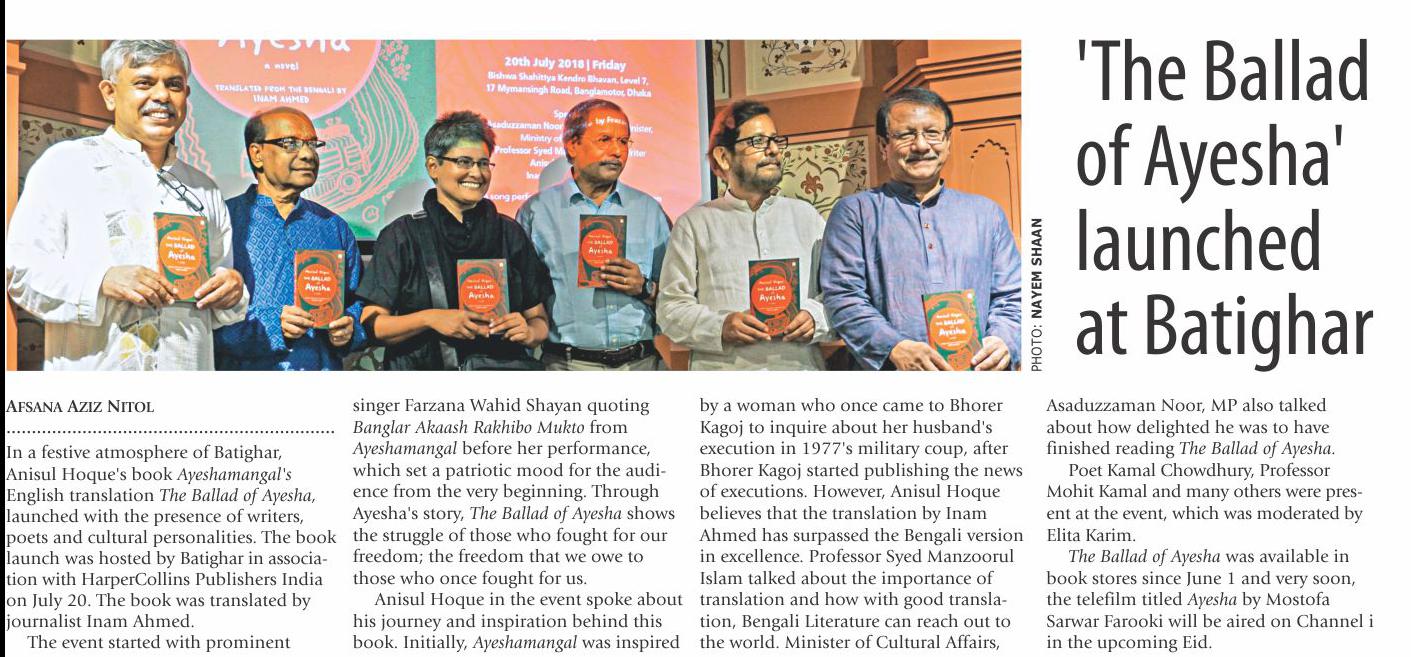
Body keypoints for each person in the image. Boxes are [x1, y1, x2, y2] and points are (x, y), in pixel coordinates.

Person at [6, 40, 246, 370]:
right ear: (109, 93)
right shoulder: (66, 165)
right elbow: (21, 273)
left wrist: (232, 290)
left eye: (174, 85)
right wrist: (102, 281)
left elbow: (219, 289)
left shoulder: (203, 188)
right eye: (144, 82)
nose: (162, 96)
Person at [820, 87, 1020, 371]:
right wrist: (893, 347)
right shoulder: (855, 213)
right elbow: (844, 296)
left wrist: (1003, 340)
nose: (921, 145)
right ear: (883, 145)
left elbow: (1013, 295)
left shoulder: (987, 214)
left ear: (948, 141)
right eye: (905, 135)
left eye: (932, 133)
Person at [356, 111, 552, 370]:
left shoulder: (509, 232)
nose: (477, 173)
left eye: (484, 163)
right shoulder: (402, 235)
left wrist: (529, 331)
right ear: (433, 167)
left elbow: (539, 320)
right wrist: (430, 319)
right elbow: (373, 324)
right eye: (464, 162)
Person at [658, 100, 831, 370]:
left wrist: (815, 318)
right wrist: (721, 326)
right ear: (723, 157)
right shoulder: (694, 224)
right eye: (758, 141)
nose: (773, 150)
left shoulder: (807, 217)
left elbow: (840, 296)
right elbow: (670, 309)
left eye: (775, 140)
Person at [516, 99, 670, 370]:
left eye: (624, 141)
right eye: (605, 140)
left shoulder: (649, 210)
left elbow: (679, 298)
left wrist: (644, 288)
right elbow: (523, 300)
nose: (617, 151)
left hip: (641, 365)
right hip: (568, 367)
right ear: (572, 145)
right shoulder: (537, 212)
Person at [214, 107, 364, 370]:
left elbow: (358, 303)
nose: (308, 154)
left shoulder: (333, 227)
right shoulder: (224, 221)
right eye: (290, 144)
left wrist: (350, 328)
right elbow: (202, 317)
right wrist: (273, 325)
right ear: (257, 154)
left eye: (312, 144)